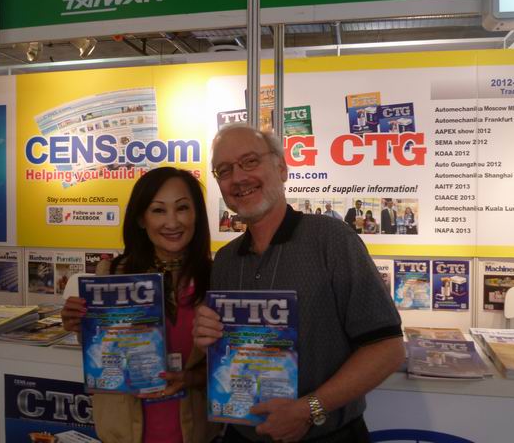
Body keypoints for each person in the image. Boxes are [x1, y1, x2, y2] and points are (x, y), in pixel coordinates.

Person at [193, 125, 404, 442]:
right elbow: (231, 357)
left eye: (250, 161)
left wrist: (309, 409)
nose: (237, 177)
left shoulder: (332, 240)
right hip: (241, 435)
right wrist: (208, 339)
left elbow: (388, 348)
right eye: (224, 170)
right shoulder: (225, 260)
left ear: (281, 168)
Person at [61, 167, 220, 443]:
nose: (172, 222)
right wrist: (80, 326)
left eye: (182, 208)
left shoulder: (217, 278)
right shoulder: (111, 274)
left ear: (196, 215)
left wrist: (191, 378)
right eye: (158, 210)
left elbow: (233, 363)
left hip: (194, 432)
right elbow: (103, 355)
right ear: (141, 219)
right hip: (125, 433)